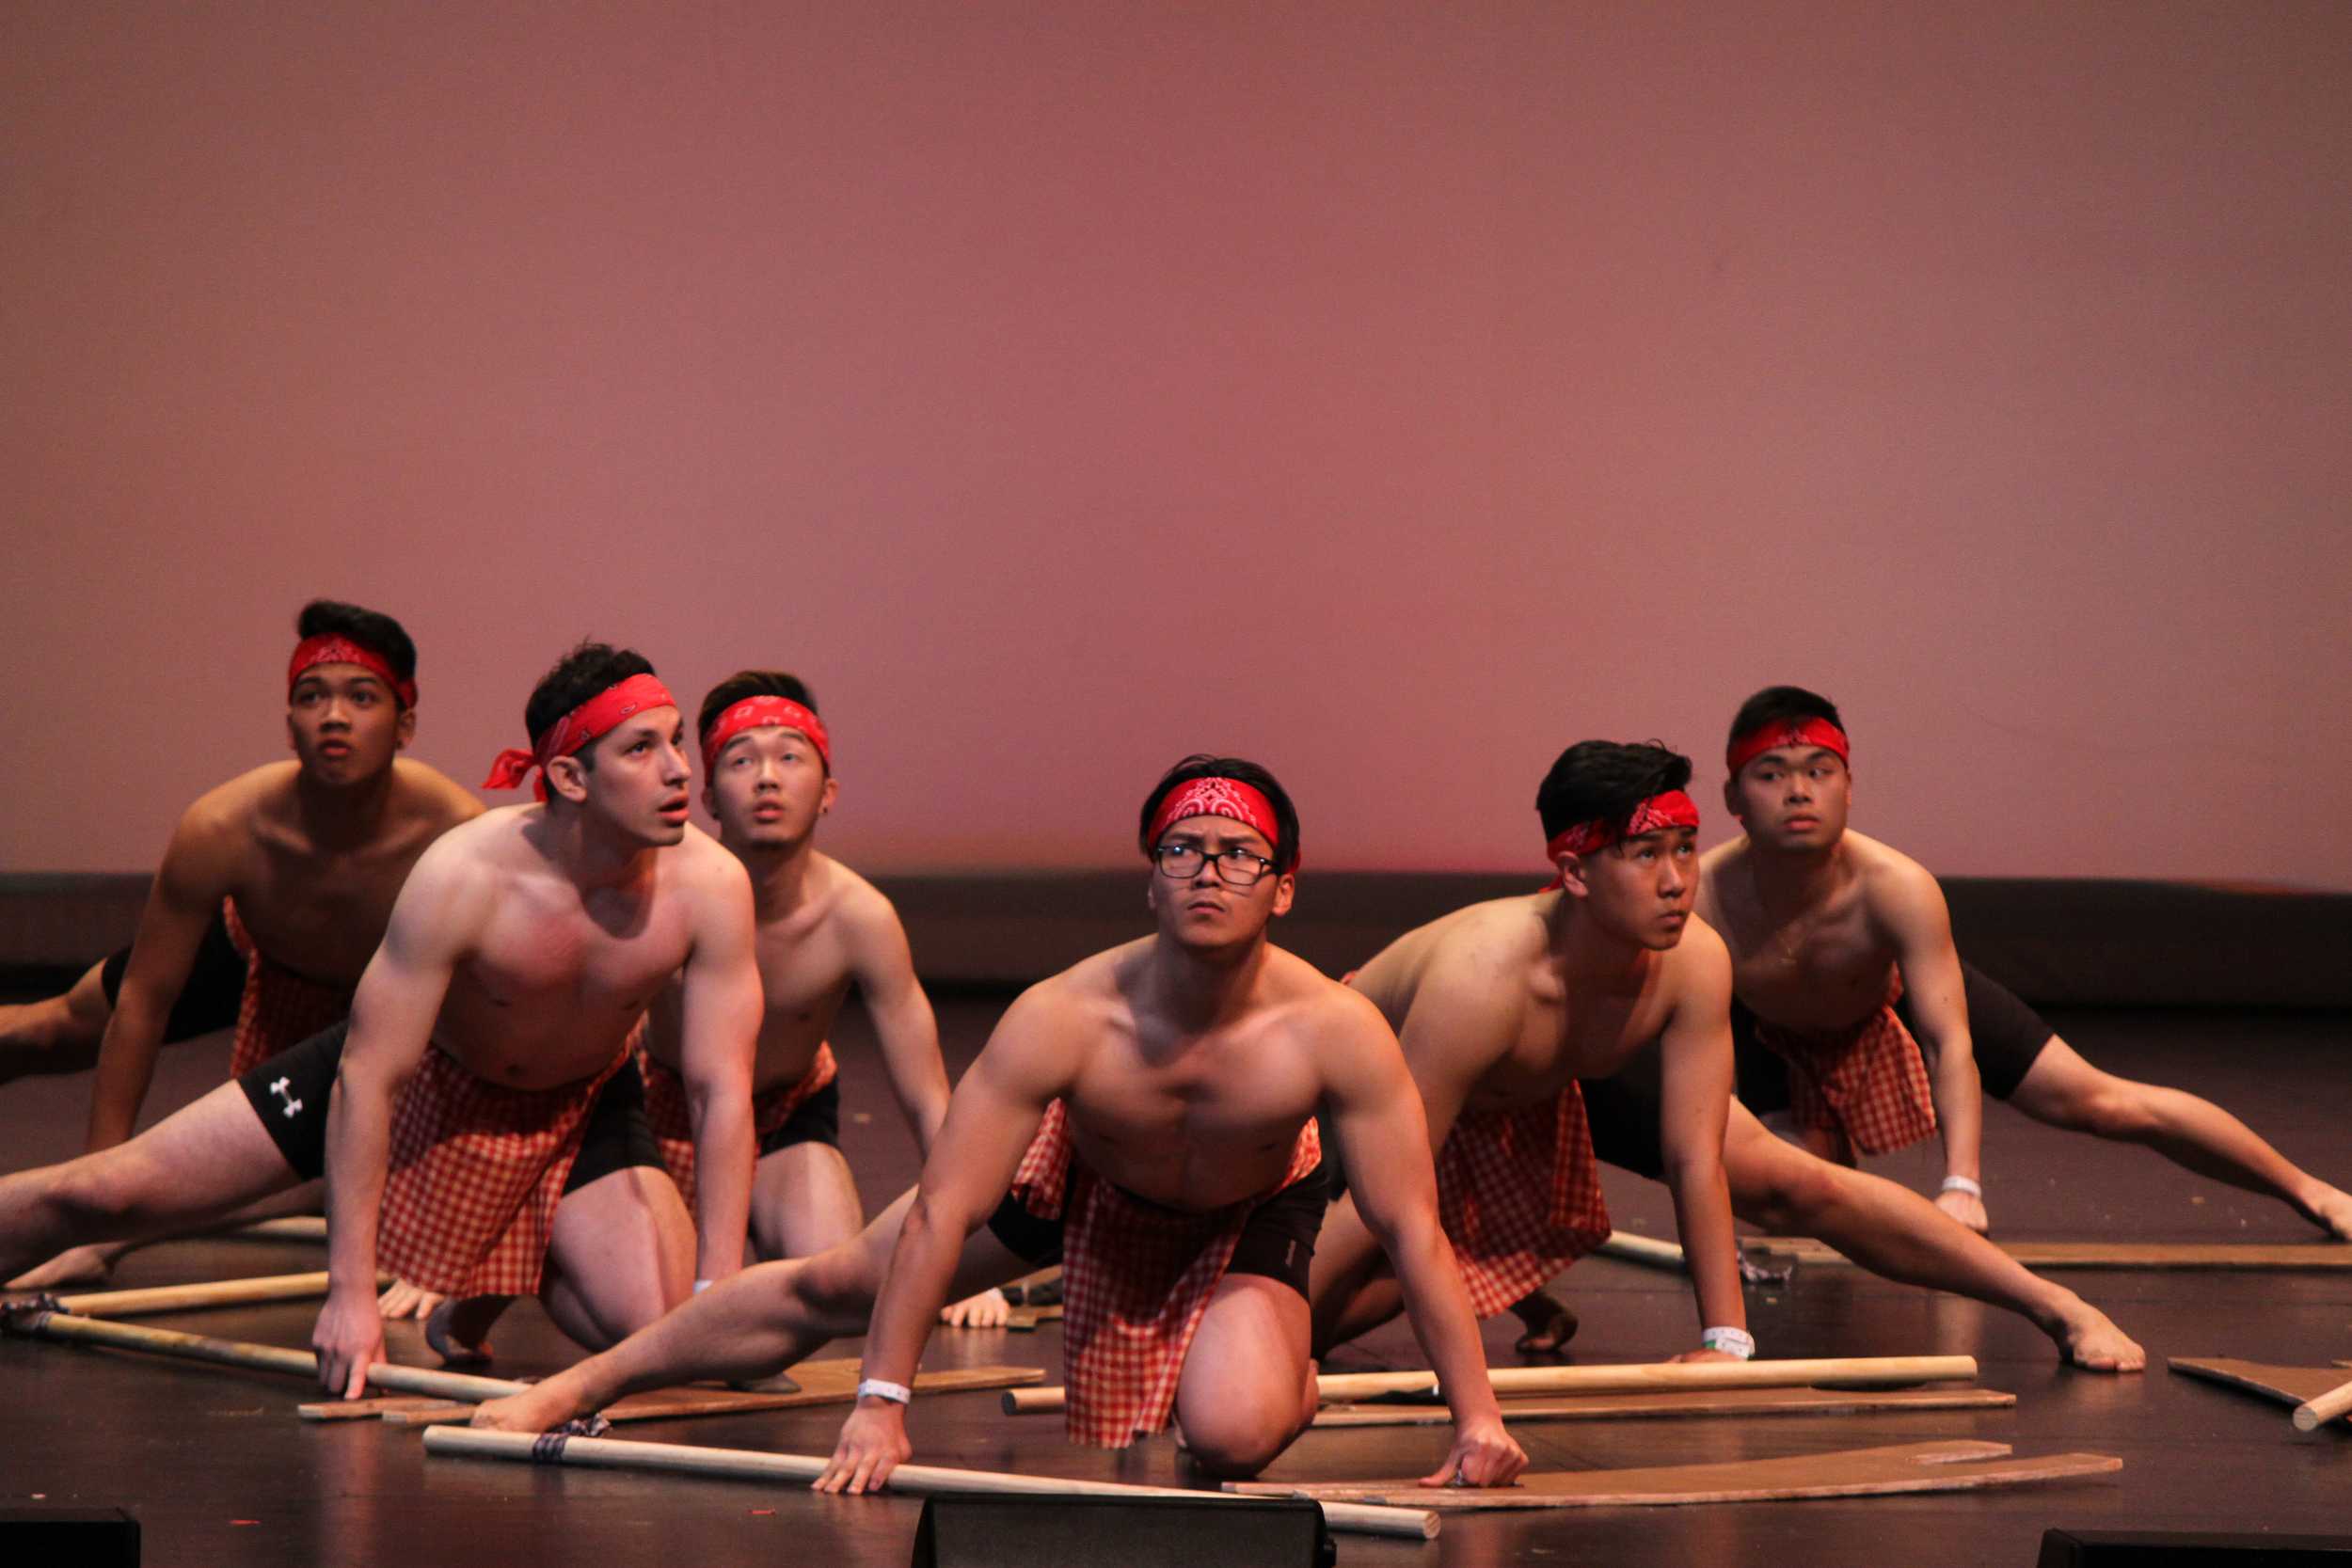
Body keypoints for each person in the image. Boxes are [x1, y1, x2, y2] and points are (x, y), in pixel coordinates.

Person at [468, 756, 1527, 1497]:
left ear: (1284, 887)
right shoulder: (1065, 1014)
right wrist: (883, 1396)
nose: (1208, 869)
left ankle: (1282, 1369)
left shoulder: (1333, 1029)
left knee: (1232, 1438)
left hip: (1249, 1203)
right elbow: (942, 1208)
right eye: (1183, 848)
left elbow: (1408, 1228)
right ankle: (576, 1381)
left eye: (1239, 854)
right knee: (837, 1281)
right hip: (1085, 1178)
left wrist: (1474, 1415)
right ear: (1149, 880)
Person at [0, 643, 764, 1397]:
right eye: (642, 748)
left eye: (674, 739)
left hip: (580, 1104)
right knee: (99, 1198)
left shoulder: (712, 885)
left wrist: (718, 1289)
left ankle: (487, 1284)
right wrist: (350, 1294)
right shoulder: (464, 876)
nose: (680, 769)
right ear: (568, 776)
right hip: (426, 1082)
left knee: (669, 1335)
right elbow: (368, 1077)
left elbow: (719, 1091)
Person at [1699, 685, 2352, 1242]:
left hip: (1885, 1003)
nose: (1797, 791)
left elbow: (1948, 1040)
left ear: (1849, 785)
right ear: (1732, 794)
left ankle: (2312, 1189)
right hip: (1769, 1035)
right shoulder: (1704, 896)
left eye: (1819, 770)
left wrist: (1962, 1183)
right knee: (1793, 1196)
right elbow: (1689, 1062)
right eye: (1772, 773)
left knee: (2104, 1102)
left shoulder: (1896, 886)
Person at [5, 599, 481, 1290]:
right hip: (255, 948)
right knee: (57, 1027)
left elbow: (476, 1028)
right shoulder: (224, 826)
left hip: (382, 997)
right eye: (311, 696)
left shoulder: (455, 832)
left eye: (362, 696)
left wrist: (444, 1247)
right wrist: (91, 1208)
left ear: (405, 723)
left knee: (316, 1154)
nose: (335, 716)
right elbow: (144, 1003)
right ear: (289, 725)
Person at [1311, 740, 1750, 1367]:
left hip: (1478, 1111)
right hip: (1334, 1101)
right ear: (1574, 873)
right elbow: (1374, 1197)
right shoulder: (1481, 977)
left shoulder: (1698, 960)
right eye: (1647, 853)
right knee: (1292, 1339)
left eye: (1685, 848)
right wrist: (1265, 1348)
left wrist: (1726, 1343)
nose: (1677, 880)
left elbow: (1695, 1157)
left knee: (1788, 1179)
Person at [642, 672, 1003, 1324]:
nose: (767, 778)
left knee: (841, 1288)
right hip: (662, 1113)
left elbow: (927, 1096)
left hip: (787, 1110)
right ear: (708, 799)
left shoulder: (858, 917)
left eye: (789, 757)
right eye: (742, 759)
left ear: (828, 792)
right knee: (656, 1320)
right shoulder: (661, 894)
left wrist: (965, 1255)